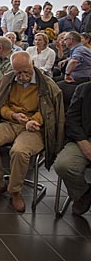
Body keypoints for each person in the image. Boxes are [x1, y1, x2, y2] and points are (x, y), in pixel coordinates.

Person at [0, 51, 64, 212]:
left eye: (26, 71)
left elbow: (49, 111)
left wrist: (35, 120)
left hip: (34, 128)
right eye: (18, 72)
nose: (22, 75)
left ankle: (15, 191)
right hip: (11, 122)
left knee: (19, 151)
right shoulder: (8, 80)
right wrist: (13, 115)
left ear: (32, 64)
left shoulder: (46, 84)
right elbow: (1, 106)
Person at [54, 82, 91, 216]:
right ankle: (83, 193)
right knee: (63, 165)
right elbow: (72, 120)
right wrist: (83, 142)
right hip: (82, 138)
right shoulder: (83, 90)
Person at [55, 31, 91, 110]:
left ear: (71, 40)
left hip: (83, 79)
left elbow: (74, 61)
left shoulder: (79, 49)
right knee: (53, 81)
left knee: (56, 87)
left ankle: (64, 111)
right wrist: (66, 60)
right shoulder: (79, 48)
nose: (64, 42)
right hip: (79, 77)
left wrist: (67, 74)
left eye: (65, 40)